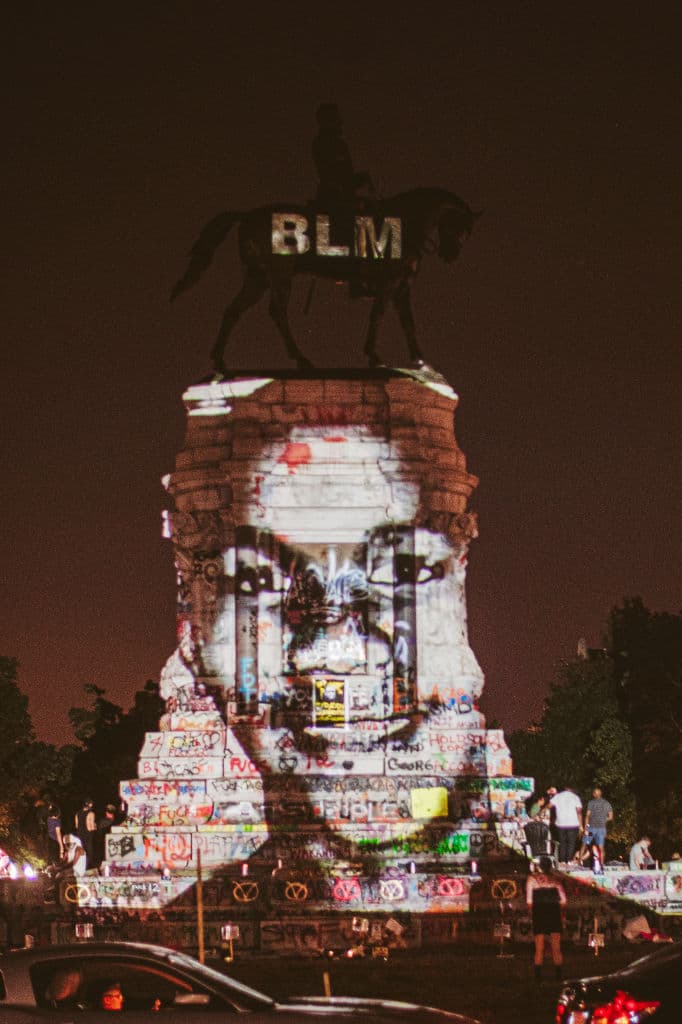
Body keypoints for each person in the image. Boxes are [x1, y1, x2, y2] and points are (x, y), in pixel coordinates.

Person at [312, 103, 373, 206]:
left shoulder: (337, 142)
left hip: (339, 197)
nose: (340, 121)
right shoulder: (326, 142)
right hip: (335, 200)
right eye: (335, 118)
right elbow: (332, 174)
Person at [526, 854, 567, 979]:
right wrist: (560, 911)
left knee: (539, 946)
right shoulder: (556, 880)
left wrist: (531, 913)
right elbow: (564, 900)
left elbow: (529, 900)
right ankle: (558, 974)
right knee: (556, 946)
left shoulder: (532, 879)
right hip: (553, 912)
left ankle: (538, 976)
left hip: (539, 912)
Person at [579, 786, 613, 871]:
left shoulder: (591, 803)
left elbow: (587, 816)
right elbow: (610, 817)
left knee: (584, 843)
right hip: (601, 829)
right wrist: (603, 819)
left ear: (594, 794)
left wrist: (586, 828)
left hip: (592, 828)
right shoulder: (607, 803)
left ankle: (579, 862)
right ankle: (601, 865)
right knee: (601, 847)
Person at [549, 786, 583, 865]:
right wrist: (581, 825)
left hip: (561, 823)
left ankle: (562, 861)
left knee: (562, 842)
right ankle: (569, 860)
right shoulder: (575, 797)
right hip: (573, 823)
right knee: (571, 842)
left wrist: (542, 812)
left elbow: (549, 805)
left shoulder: (558, 796)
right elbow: (579, 812)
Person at [75, 797, 97, 870]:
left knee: (81, 850)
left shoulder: (77, 813)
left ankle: (81, 866)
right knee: (89, 850)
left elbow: (77, 825)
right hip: (88, 834)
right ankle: (89, 867)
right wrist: (95, 827)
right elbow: (90, 827)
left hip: (79, 833)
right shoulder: (91, 813)